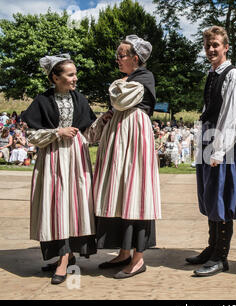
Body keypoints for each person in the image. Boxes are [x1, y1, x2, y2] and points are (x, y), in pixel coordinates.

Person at [89, 35, 161, 279]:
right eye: (117, 55)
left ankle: (138, 259)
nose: (117, 59)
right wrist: (110, 113)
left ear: (136, 58)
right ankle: (123, 252)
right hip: (120, 135)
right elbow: (117, 104)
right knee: (120, 192)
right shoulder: (130, 79)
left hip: (134, 135)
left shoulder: (144, 76)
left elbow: (120, 98)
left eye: (121, 55)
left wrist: (117, 92)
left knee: (135, 192)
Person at [21, 54, 98, 285]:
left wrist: (106, 120)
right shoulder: (42, 101)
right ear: (55, 77)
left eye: (75, 74)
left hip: (76, 159)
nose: (75, 79)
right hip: (53, 159)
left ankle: (67, 256)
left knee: (74, 207)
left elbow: (89, 132)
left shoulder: (81, 100)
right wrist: (57, 132)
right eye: (70, 74)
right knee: (56, 207)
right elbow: (32, 136)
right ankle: (64, 257)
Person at [186, 26, 236, 277]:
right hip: (208, 139)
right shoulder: (212, 73)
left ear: (226, 47)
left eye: (216, 45)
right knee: (210, 197)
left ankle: (221, 257)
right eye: (208, 45)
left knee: (221, 198)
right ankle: (212, 249)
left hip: (221, 143)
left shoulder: (234, 76)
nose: (211, 49)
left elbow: (231, 117)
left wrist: (218, 151)